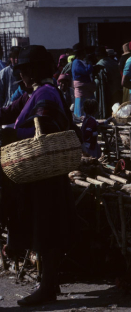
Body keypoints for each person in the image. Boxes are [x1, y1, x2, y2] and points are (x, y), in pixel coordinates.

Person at [0, 45, 77, 306]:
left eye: (23, 72)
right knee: (42, 228)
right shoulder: (32, 93)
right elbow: (9, 112)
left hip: (48, 174)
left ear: (32, 72)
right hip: (37, 173)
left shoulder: (46, 94)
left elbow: (45, 130)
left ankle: (47, 287)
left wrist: (10, 134)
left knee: (48, 230)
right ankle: (48, 284)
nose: (21, 77)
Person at [96, 46, 123, 114]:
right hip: (116, 89)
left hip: (106, 91)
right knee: (116, 109)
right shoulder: (114, 62)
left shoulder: (100, 64)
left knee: (107, 109)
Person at [71, 43, 96, 117]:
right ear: (80, 53)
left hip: (86, 89)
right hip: (82, 90)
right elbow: (86, 71)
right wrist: (90, 64)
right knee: (82, 109)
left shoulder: (81, 62)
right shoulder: (76, 63)